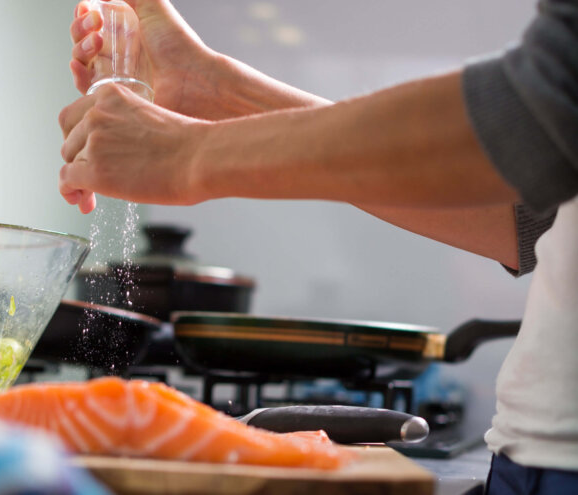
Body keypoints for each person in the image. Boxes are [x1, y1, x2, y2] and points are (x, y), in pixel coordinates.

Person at [60, 1, 578, 493]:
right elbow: (530, 222)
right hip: (532, 454)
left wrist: (186, 154)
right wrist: (214, 91)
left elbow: (537, 108)